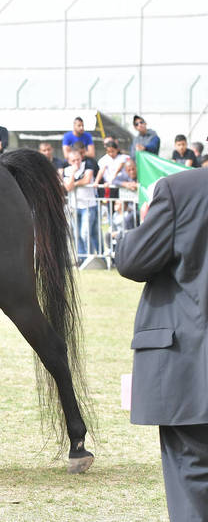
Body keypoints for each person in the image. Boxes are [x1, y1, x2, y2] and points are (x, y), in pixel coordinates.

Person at [115, 166, 208, 520]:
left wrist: (140, 225)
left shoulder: (178, 189)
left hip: (187, 364)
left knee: (190, 477)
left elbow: (132, 260)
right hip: (187, 360)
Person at [62, 147, 99, 260]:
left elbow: (87, 180)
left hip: (88, 205)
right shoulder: (67, 170)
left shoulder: (87, 165)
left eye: (78, 159)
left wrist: (74, 183)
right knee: (77, 234)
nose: (76, 162)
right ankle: (82, 258)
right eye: (73, 161)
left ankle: (90, 257)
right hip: (74, 206)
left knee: (85, 233)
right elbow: (68, 187)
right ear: (69, 161)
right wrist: (73, 173)